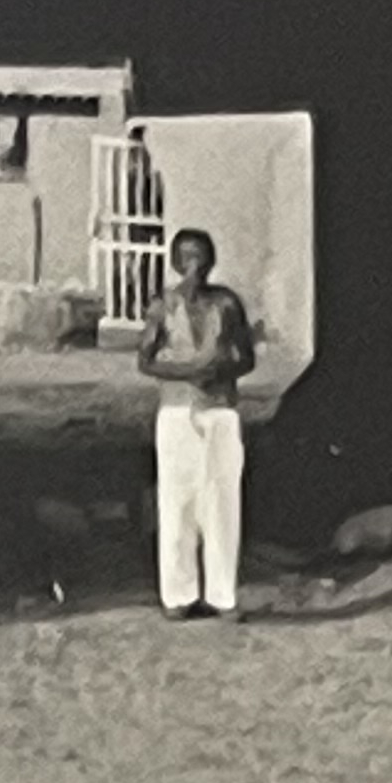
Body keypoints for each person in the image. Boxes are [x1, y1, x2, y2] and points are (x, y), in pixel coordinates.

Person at [137, 225, 256, 619]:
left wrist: (222, 369)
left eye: (200, 257)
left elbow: (247, 357)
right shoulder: (163, 307)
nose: (194, 266)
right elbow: (146, 360)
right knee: (177, 502)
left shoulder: (226, 305)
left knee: (221, 501)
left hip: (220, 408)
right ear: (174, 263)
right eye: (186, 257)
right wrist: (189, 371)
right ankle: (178, 594)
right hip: (176, 410)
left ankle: (222, 594)